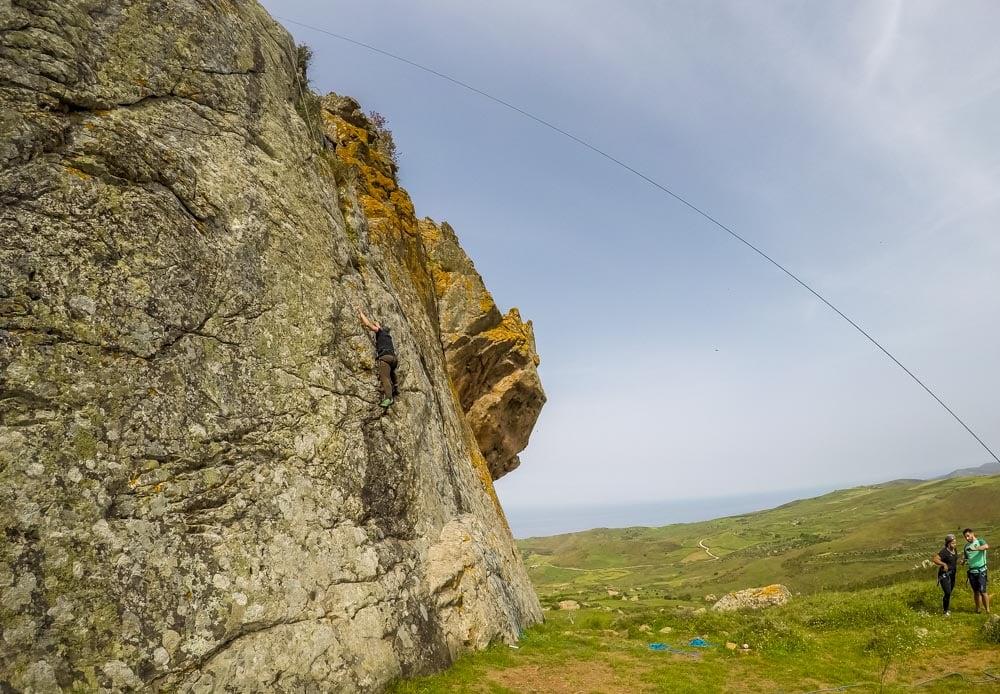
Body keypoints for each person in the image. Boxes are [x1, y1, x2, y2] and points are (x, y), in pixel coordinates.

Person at [356, 306, 397, 408]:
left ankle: (389, 398)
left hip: (385, 357)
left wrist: (361, 313)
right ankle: (395, 387)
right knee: (390, 373)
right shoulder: (388, 337)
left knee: (385, 377)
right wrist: (378, 323)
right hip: (394, 359)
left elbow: (368, 324)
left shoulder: (380, 332)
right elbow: (377, 325)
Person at [962, 528, 990, 613]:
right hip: (972, 572)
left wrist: (975, 549)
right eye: (965, 537)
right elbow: (967, 557)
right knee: (976, 592)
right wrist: (963, 562)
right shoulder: (966, 547)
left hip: (981, 571)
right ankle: (978, 609)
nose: (967, 538)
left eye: (968, 536)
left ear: (972, 534)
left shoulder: (980, 541)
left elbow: (986, 546)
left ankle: (987, 610)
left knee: (983, 591)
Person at [932, 534, 959, 615]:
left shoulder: (955, 550)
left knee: (949, 592)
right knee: (947, 592)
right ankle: (945, 611)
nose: (954, 544)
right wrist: (943, 564)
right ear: (948, 543)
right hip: (944, 575)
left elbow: (953, 561)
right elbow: (935, 559)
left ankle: (946, 607)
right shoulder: (944, 552)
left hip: (952, 575)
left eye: (955, 543)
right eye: (952, 543)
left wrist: (961, 562)